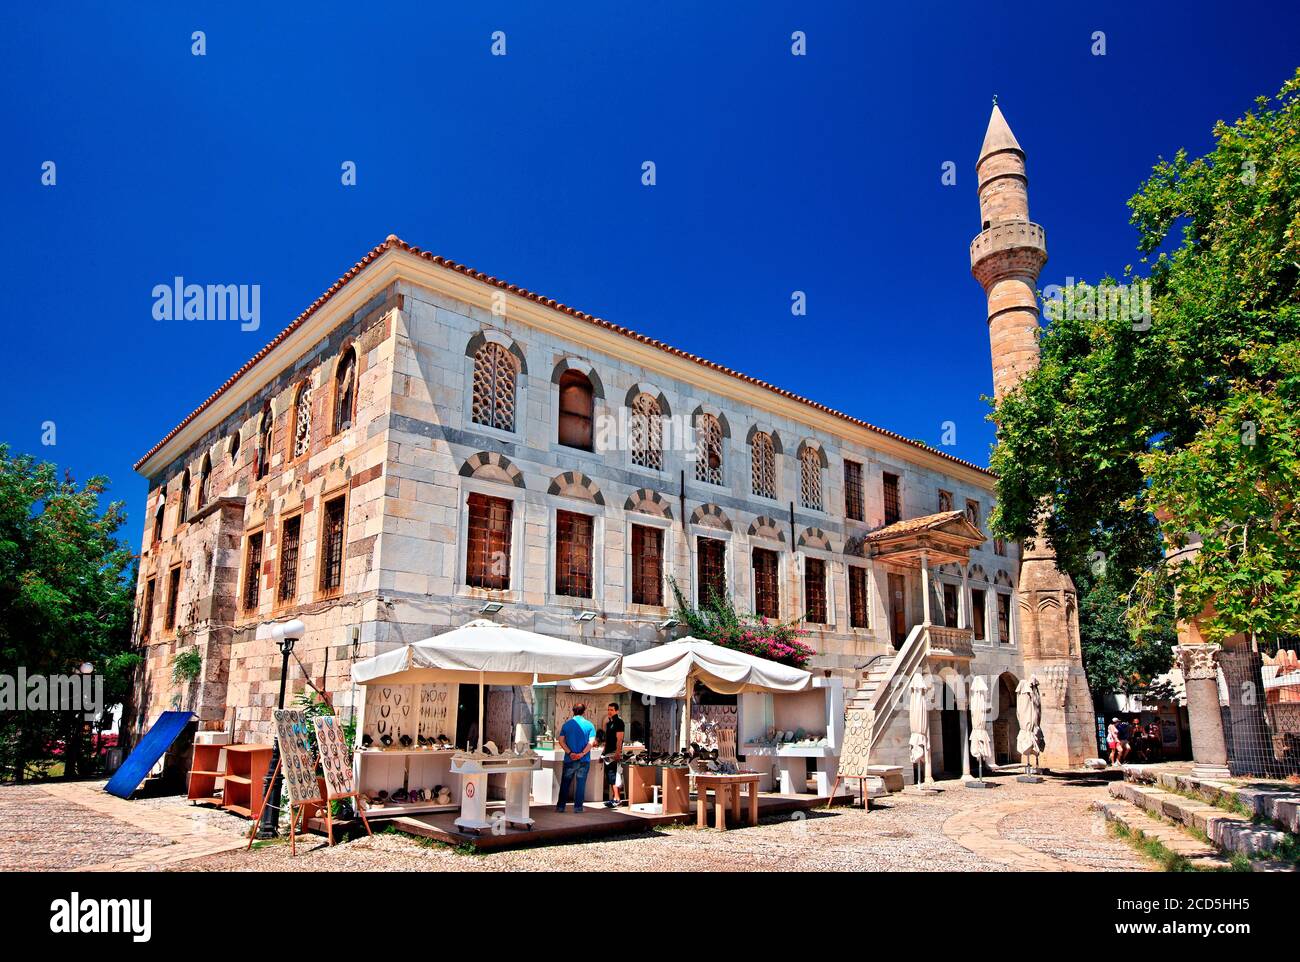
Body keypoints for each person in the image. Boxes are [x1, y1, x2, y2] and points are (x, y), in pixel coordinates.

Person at [556, 703, 597, 814]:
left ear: (572, 711)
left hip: (570, 759)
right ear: (584, 712)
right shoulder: (589, 725)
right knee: (581, 784)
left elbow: (561, 741)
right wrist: (582, 754)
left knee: (565, 783)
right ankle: (578, 808)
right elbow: (591, 742)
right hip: (584, 760)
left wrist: (570, 753)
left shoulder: (566, 725)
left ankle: (561, 807)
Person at [603, 702, 626, 808]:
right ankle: (614, 798)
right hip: (607, 753)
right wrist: (602, 753)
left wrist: (618, 752)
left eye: (611, 710)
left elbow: (620, 738)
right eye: (608, 709)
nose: (609, 712)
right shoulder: (608, 723)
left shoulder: (619, 722)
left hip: (614, 753)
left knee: (614, 775)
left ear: (617, 711)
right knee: (609, 776)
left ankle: (617, 799)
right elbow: (607, 740)